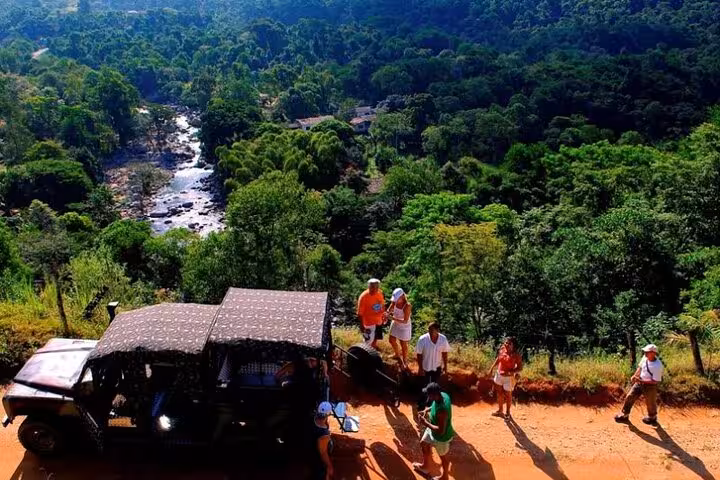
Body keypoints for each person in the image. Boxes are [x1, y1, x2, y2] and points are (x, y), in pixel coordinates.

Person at [614, 344, 664, 426]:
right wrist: (635, 375)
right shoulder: (645, 358)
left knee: (650, 402)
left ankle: (652, 417)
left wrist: (640, 380)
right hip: (639, 382)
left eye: (647, 352)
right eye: (645, 351)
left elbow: (655, 381)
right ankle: (624, 414)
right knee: (630, 396)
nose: (645, 353)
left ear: (653, 353)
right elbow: (640, 367)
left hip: (650, 386)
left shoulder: (657, 366)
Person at [413, 383, 454, 480]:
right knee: (424, 443)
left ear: (434, 395)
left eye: (429, 394)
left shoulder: (442, 412)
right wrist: (427, 410)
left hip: (441, 437)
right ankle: (425, 467)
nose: (428, 396)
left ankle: (445, 477)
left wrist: (425, 423)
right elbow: (435, 404)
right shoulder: (443, 395)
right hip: (432, 428)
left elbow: (440, 431)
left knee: (443, 458)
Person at [416, 322, 450, 409]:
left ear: (437, 330)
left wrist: (445, 366)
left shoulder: (443, 339)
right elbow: (419, 354)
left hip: (437, 367)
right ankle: (420, 406)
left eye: (432, 330)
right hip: (425, 367)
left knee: (435, 388)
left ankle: (431, 406)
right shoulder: (422, 339)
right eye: (429, 329)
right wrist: (420, 368)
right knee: (424, 388)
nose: (430, 331)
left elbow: (445, 353)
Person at [487, 337, 523, 419]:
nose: (506, 344)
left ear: (514, 345)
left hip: (509, 378)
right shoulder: (502, 349)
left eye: (509, 343)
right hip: (499, 375)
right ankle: (500, 410)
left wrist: (512, 372)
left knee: (508, 395)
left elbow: (520, 368)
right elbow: (498, 359)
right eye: (506, 342)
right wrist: (491, 368)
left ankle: (508, 412)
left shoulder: (516, 356)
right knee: (499, 393)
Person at [387, 287, 412, 371]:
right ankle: (397, 354)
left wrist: (392, 318)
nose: (395, 301)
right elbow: (391, 306)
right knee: (391, 340)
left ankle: (405, 360)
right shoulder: (395, 301)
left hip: (404, 326)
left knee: (403, 344)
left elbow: (405, 320)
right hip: (396, 322)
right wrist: (387, 313)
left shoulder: (407, 306)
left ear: (402, 297)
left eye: (397, 299)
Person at [357, 278, 386, 349]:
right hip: (368, 322)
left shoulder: (380, 293)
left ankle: (373, 347)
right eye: (372, 287)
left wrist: (383, 315)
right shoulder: (364, 297)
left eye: (377, 287)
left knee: (376, 336)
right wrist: (361, 325)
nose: (375, 289)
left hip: (378, 320)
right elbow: (359, 313)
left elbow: (382, 304)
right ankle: (364, 352)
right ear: (368, 287)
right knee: (368, 340)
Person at [313, 401, 334, 480]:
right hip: (317, 460)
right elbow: (323, 453)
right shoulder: (323, 433)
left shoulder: (313, 419)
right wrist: (329, 466)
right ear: (328, 414)